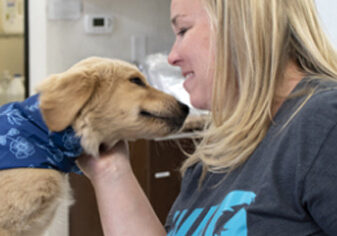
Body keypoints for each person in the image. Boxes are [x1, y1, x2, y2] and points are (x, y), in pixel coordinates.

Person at [77, 0, 337, 235]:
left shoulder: (325, 122)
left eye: (183, 31)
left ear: (239, 24)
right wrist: (110, 170)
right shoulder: (217, 153)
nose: (172, 56)